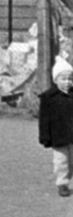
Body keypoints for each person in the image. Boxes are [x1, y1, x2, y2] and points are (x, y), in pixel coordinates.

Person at [38, 55, 73, 196]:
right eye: (63, 79)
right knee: (61, 161)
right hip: (58, 135)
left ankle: (69, 178)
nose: (67, 82)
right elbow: (44, 119)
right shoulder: (49, 98)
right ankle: (62, 183)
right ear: (55, 80)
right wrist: (45, 136)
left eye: (70, 79)